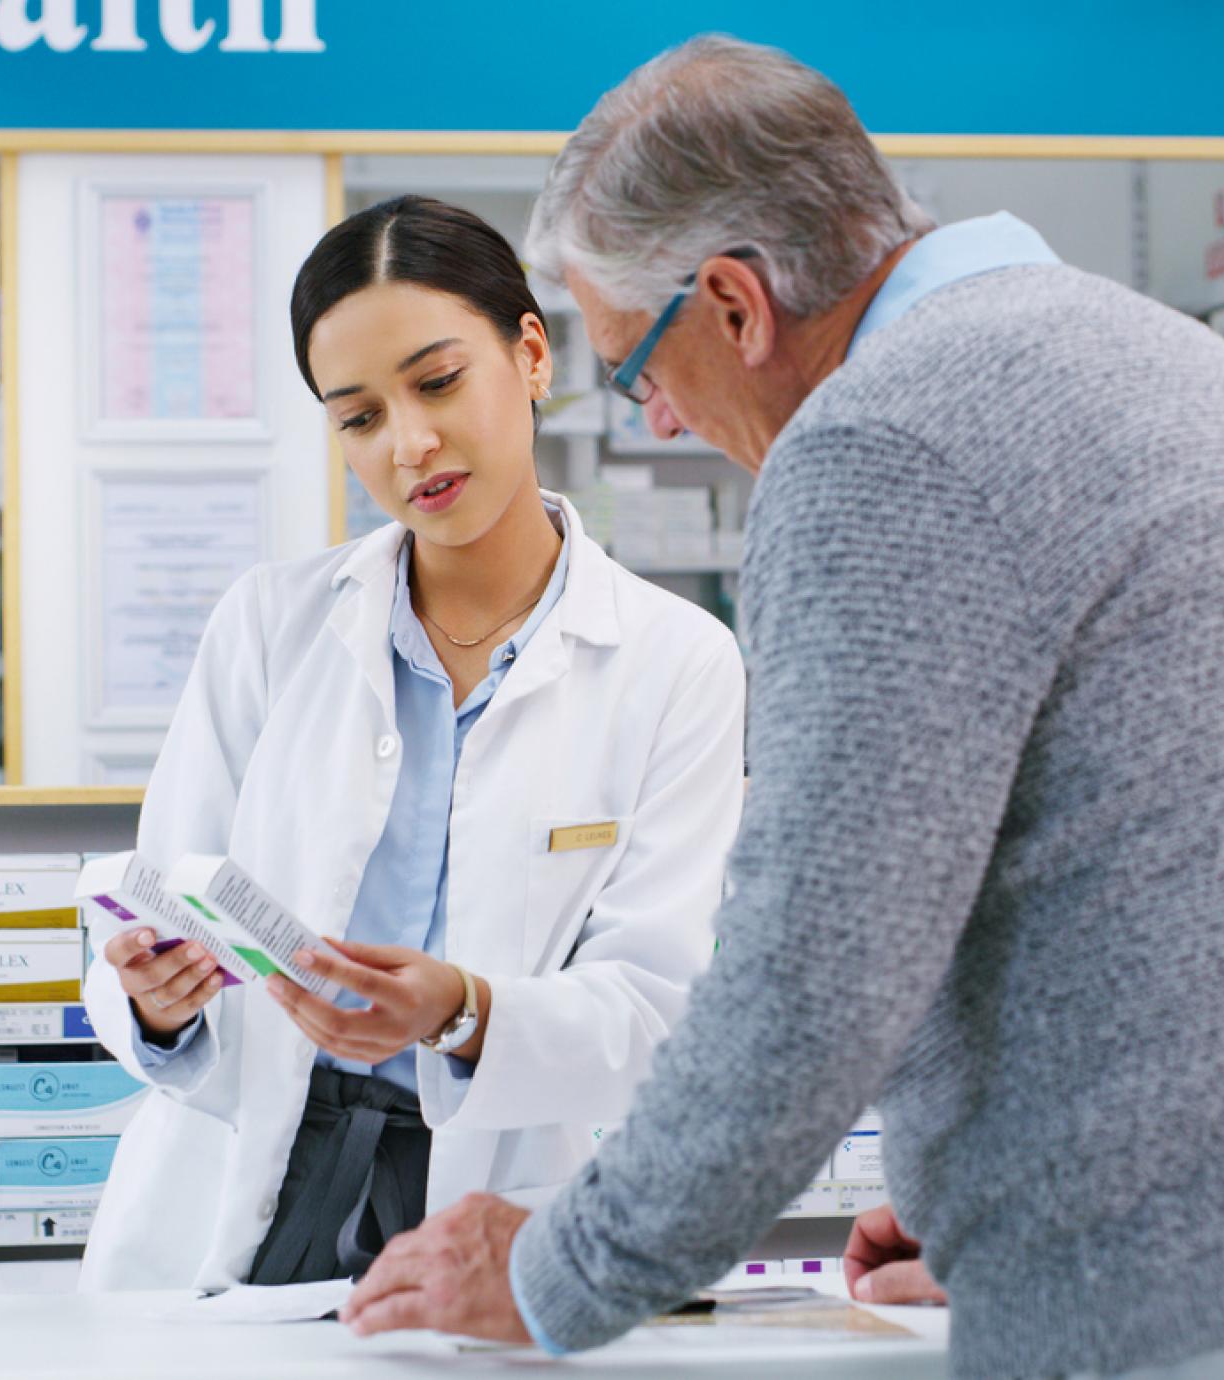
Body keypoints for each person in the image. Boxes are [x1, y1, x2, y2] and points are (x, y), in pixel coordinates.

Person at [341, 36, 1224, 1379]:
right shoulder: (1169, 359)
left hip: (1193, 1302)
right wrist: (1000, 1181)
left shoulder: (881, 443)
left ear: (735, 305)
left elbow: (814, 967)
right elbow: (1173, 866)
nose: (659, 421)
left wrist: (559, 1270)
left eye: (638, 367)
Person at [77, 195, 747, 1292]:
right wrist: (154, 1001)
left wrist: (463, 1009)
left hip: (504, 1193)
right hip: (258, 1172)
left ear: (529, 354)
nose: (409, 444)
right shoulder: (269, 623)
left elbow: (654, 1006)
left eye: (438, 383)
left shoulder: (675, 660)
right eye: (358, 416)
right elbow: (163, 899)